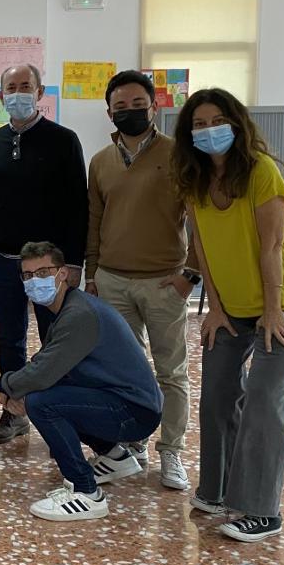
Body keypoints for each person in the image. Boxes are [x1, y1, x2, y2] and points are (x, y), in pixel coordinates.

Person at [174, 89, 284, 542]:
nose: (208, 130)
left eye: (217, 121)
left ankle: (262, 510)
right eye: (199, 124)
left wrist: (273, 312)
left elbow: (272, 246)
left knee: (263, 397)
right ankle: (217, 490)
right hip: (231, 308)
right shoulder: (194, 179)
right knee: (217, 392)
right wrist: (215, 308)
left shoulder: (261, 172)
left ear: (236, 124)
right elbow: (201, 247)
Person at [0, 241, 162, 522]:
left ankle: (86, 492)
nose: (34, 281)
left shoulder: (78, 314)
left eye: (43, 272)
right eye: (27, 275)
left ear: (62, 274)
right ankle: (115, 457)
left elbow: (42, 372)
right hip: (128, 403)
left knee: (42, 403)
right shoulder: (70, 307)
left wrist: (6, 385)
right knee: (50, 393)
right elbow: (46, 361)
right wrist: (16, 385)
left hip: (134, 412)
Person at [86, 70, 196, 491]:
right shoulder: (101, 161)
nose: (129, 111)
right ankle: (133, 444)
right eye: (120, 106)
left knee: (171, 372)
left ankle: (172, 451)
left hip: (165, 282)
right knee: (126, 371)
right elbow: (95, 221)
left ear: (154, 106)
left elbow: (199, 218)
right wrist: (93, 274)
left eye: (137, 104)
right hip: (113, 281)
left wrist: (190, 275)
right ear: (109, 112)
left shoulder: (179, 155)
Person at [0, 64, 87, 446]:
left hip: (49, 267)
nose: (18, 93)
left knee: (56, 339)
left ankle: (59, 415)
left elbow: (78, 206)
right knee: (9, 339)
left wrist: (74, 262)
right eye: (11, 87)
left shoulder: (64, 140)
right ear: (0, 95)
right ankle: (14, 411)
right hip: (1, 261)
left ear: (39, 93)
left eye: (25, 86)